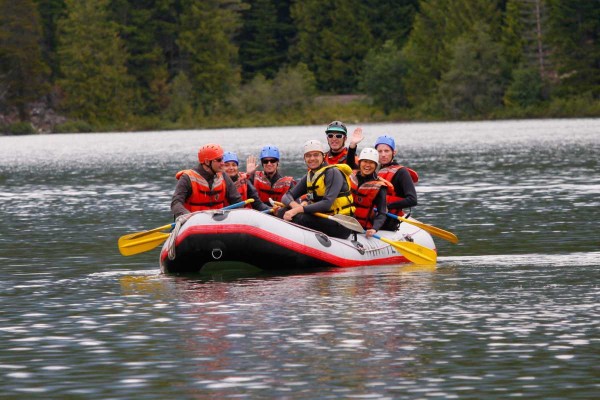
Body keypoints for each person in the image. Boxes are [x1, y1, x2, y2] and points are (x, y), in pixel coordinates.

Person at [278, 139, 355, 239]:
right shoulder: (310, 176)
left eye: (316, 155)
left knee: (299, 217)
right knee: (282, 211)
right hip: (322, 217)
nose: (312, 158)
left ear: (323, 156)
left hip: (340, 223)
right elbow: (287, 196)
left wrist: (299, 209)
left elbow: (327, 204)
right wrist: (294, 206)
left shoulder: (333, 172)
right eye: (308, 156)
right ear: (304, 158)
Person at [171, 143, 244, 218]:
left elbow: (237, 201)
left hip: (218, 223)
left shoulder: (223, 176)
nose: (223, 163)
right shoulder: (187, 178)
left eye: (222, 159)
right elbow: (176, 203)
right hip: (193, 223)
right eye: (219, 160)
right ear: (207, 162)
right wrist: (188, 217)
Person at [375, 135, 419, 231]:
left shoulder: (402, 172)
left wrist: (386, 206)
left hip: (388, 221)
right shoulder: (373, 170)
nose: (383, 154)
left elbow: (412, 200)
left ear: (393, 152)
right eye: (379, 151)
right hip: (373, 216)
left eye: (386, 151)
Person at [349, 148, 391, 237]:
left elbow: (382, 213)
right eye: (365, 161)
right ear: (359, 163)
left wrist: (374, 228)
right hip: (345, 222)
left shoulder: (379, 186)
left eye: (371, 162)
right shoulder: (351, 176)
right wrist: (353, 146)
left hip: (362, 228)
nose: (367, 165)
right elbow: (349, 160)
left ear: (376, 165)